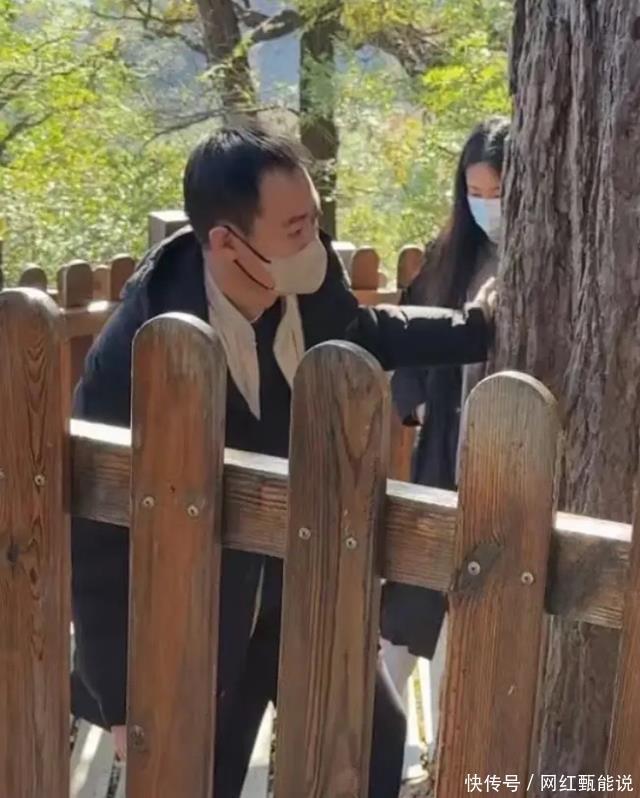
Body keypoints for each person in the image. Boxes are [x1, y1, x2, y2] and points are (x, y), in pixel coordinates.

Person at [71, 125, 496, 798]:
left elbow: (363, 334)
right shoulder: (137, 352)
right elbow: (94, 531)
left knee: (374, 745)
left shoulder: (305, 276)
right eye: (295, 228)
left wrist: (476, 328)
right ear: (226, 243)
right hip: (199, 616)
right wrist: (119, 701)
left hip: (304, 580)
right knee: (204, 776)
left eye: (313, 220)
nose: (313, 241)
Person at [380, 117, 510, 692]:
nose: (486, 207)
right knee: (408, 607)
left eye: (497, 193)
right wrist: (416, 404)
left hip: (504, 460)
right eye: (474, 192)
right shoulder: (450, 254)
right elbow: (404, 337)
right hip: (441, 454)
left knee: (472, 621)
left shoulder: (545, 256)